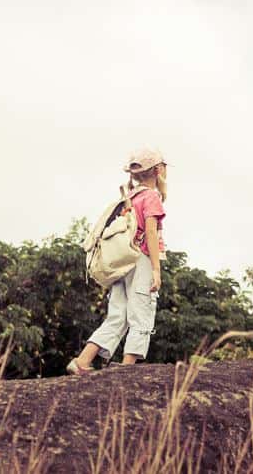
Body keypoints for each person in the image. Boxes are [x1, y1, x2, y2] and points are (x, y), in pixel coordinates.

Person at [68, 149, 167, 374]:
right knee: (141, 311)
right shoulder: (151, 197)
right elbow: (150, 233)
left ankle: (82, 362)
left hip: (121, 262)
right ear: (158, 170)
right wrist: (156, 269)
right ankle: (126, 369)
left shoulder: (128, 198)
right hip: (140, 258)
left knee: (118, 315)